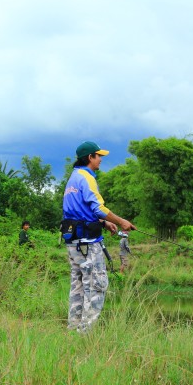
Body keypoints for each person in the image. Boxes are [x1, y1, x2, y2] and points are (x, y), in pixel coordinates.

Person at [61, 140, 135, 333]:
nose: (101, 159)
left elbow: (77, 212)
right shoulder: (87, 177)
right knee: (96, 287)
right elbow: (98, 207)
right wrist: (121, 222)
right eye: (98, 156)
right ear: (89, 157)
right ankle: (85, 336)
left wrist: (103, 222)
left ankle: (73, 332)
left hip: (73, 243)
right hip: (88, 244)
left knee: (78, 288)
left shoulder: (72, 179)